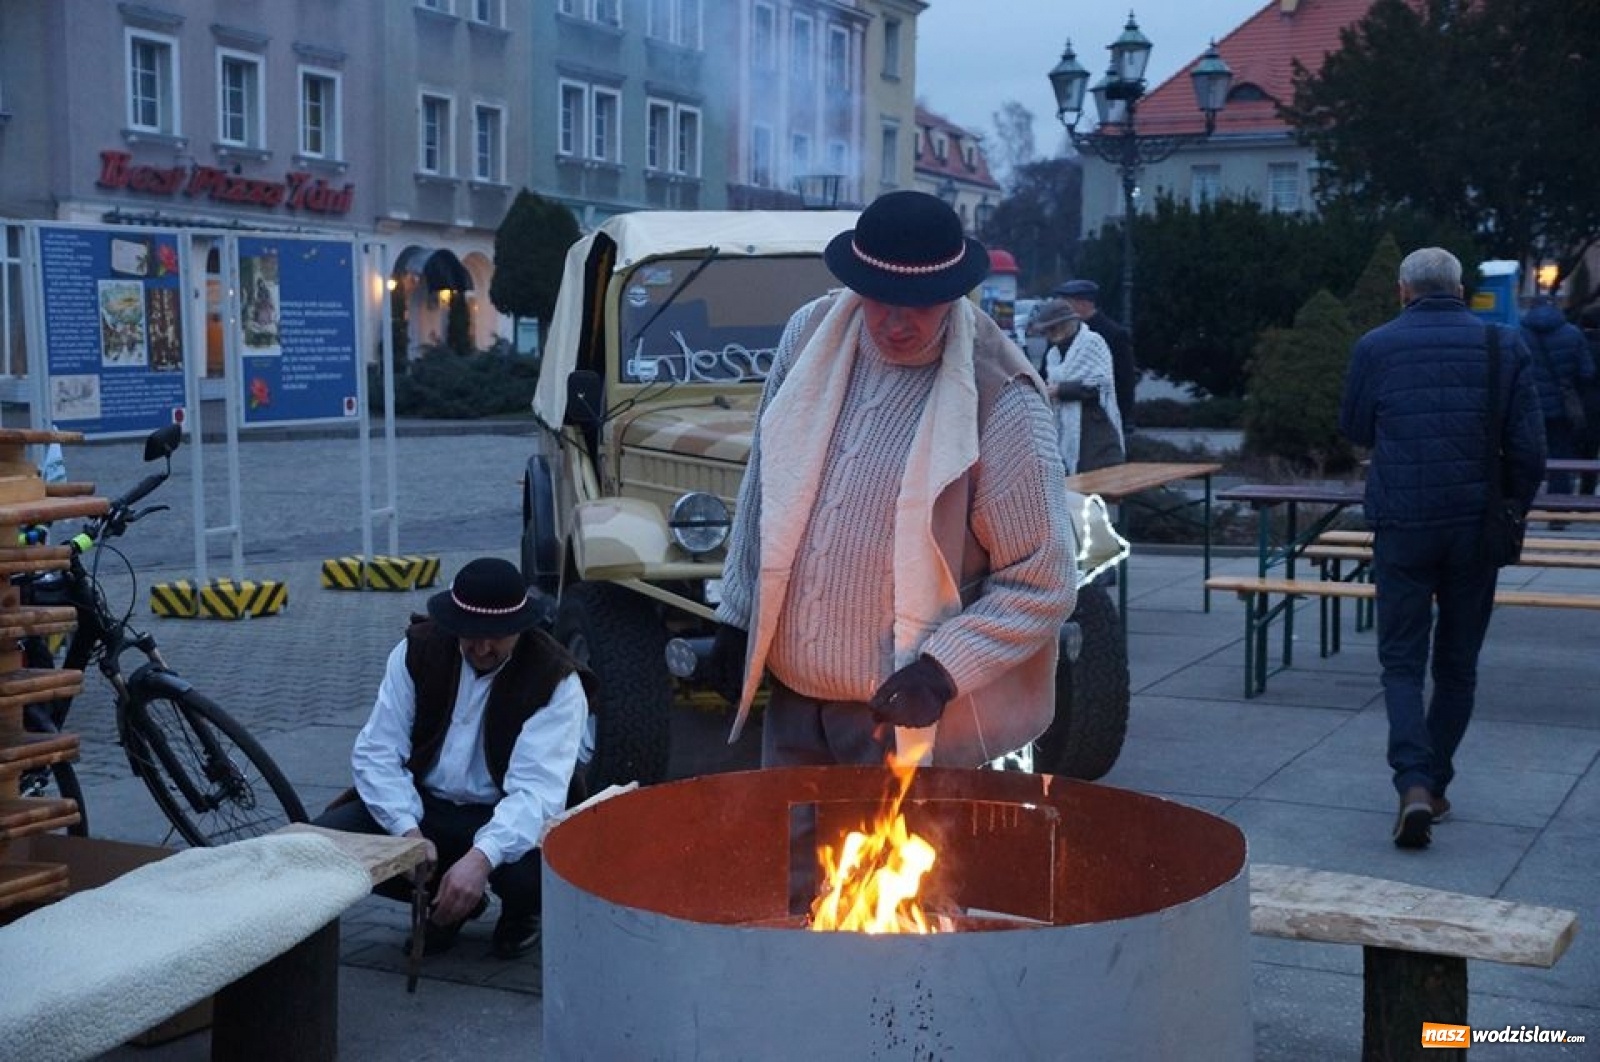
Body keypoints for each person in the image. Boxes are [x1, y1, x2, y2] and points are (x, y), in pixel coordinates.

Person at [706, 189, 1078, 770]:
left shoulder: (1000, 397)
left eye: (920, 304)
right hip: (794, 698)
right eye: (879, 299)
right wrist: (737, 612)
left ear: (955, 293)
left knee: (904, 865)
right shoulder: (810, 336)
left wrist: (943, 670)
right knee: (793, 861)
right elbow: (763, 486)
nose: (895, 322)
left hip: (906, 723)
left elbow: (1043, 581)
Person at [1339, 247, 1545, 850]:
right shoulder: (1502, 346)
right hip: (1474, 525)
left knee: (1401, 661)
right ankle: (1434, 782)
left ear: (1403, 290)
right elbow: (1529, 450)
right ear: (1460, 290)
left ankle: (1412, 781)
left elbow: (1354, 427)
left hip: (1403, 522)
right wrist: (1512, 510)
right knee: (1457, 665)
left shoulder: (1375, 346)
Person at [313, 557, 593, 958]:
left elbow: (536, 794)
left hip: (505, 810)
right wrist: (407, 833)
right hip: (426, 805)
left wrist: (481, 859)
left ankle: (521, 912)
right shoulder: (418, 650)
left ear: (521, 627)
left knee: (534, 874)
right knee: (325, 846)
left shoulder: (557, 680)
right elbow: (377, 753)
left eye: (497, 636)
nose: (482, 647)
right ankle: (448, 901)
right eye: (471, 634)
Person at [1026, 298, 1125, 474]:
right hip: (1064, 428)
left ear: (1067, 324)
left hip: (1095, 431)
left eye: (1053, 328)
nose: (1050, 334)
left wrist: (1060, 390)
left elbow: (1099, 385)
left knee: (1097, 484)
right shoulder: (1053, 354)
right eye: (1047, 330)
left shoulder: (1092, 342)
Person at [1519, 295, 1596, 497]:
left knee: (1526, 454)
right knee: (1561, 453)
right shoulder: (1572, 334)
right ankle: (1558, 509)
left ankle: (1526, 503)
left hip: (1528, 406)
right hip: (1562, 407)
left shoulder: (1519, 335)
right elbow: (1586, 372)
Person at [1052, 279, 1136, 434]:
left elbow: (1123, 382)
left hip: (1099, 421)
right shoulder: (1062, 331)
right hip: (1064, 422)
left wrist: (1121, 421)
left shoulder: (1113, 334)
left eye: (1066, 303)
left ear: (1084, 304)